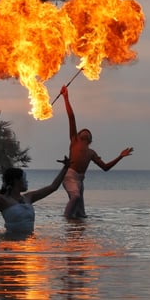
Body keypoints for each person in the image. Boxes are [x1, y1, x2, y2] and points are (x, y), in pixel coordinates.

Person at [59, 85, 134, 219]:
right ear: (78, 134)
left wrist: (120, 156)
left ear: (90, 140)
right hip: (70, 175)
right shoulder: (74, 140)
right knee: (75, 196)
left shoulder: (91, 153)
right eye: (83, 130)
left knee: (81, 214)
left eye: (88, 132)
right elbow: (71, 117)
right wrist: (66, 97)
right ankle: (65, 218)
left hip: (80, 180)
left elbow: (105, 168)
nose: (85, 131)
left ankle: (74, 231)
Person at [0, 156, 70, 234]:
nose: (26, 181)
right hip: (10, 243)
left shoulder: (29, 197)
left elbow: (53, 187)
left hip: (29, 241)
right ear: (16, 181)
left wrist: (65, 168)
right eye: (24, 179)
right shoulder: (3, 200)